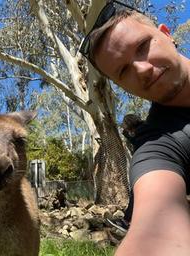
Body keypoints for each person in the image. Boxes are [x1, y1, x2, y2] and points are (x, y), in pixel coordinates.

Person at [79, 1, 190, 255]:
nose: (142, 70)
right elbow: (156, 233)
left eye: (142, 46)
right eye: (123, 70)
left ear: (166, 33)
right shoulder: (158, 145)